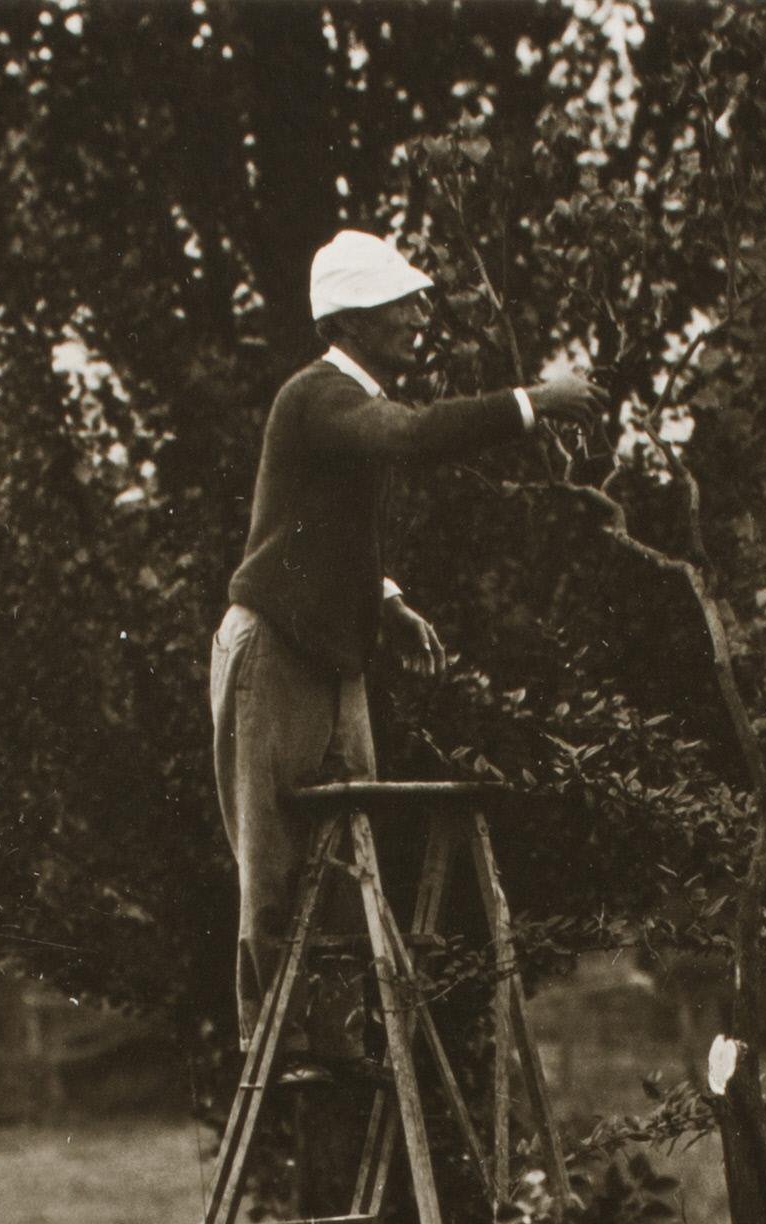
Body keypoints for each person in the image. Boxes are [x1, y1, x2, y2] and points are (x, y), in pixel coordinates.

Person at [214, 229, 605, 1069]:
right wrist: (533, 401)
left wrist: (383, 598)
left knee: (348, 842)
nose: (421, 316)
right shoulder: (318, 395)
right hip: (275, 647)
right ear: (354, 318)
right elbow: (410, 438)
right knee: (274, 853)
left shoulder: (344, 402)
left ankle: (334, 1030)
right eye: (404, 302)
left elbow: (328, 525)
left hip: (330, 646)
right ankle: (272, 1039)